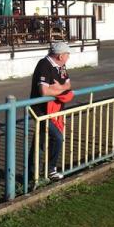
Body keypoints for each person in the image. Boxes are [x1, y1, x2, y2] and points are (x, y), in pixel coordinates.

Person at [28, 42, 72, 181]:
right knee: (57, 137)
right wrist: (63, 89)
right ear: (60, 56)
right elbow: (44, 91)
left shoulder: (61, 65)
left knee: (40, 141)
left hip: (53, 109)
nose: (68, 57)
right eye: (67, 54)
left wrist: (60, 88)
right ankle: (50, 170)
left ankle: (31, 173)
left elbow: (69, 84)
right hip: (40, 110)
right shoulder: (44, 65)